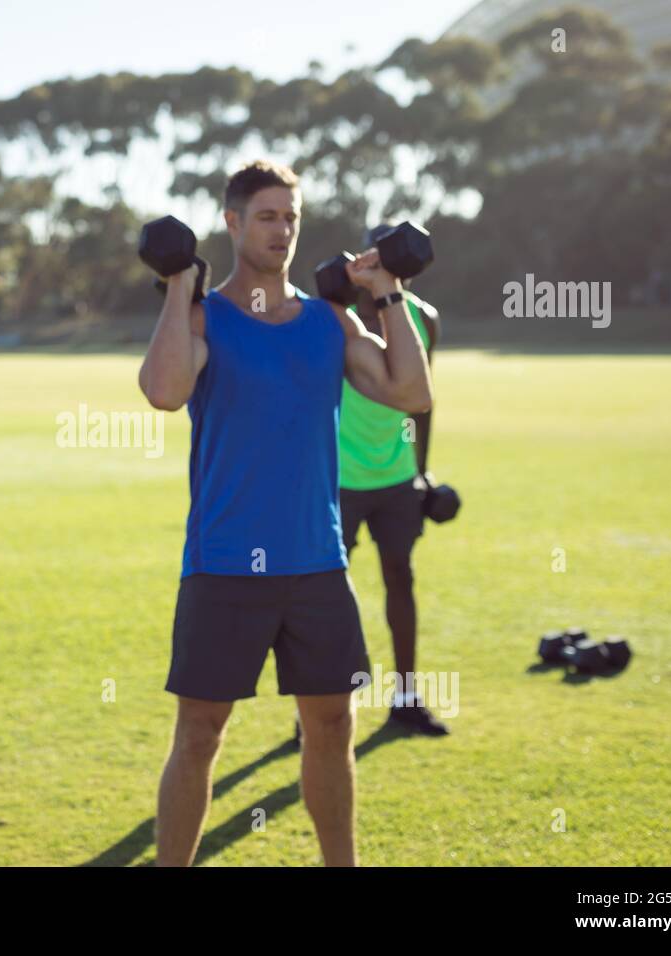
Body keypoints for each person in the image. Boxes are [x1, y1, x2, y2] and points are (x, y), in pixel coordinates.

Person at [138, 161, 432, 866]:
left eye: (292, 217)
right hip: (225, 562)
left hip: (317, 560)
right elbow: (165, 390)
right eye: (266, 216)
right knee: (202, 732)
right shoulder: (210, 316)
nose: (282, 230)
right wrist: (180, 286)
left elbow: (409, 393)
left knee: (332, 722)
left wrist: (385, 293)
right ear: (233, 223)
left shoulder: (328, 319)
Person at [335, 223, 447, 735]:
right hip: (339, 476)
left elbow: (423, 401)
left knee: (400, 579)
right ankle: (317, 706)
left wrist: (421, 473)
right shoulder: (341, 320)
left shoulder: (423, 318)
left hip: (397, 478)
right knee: (328, 592)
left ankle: (405, 697)